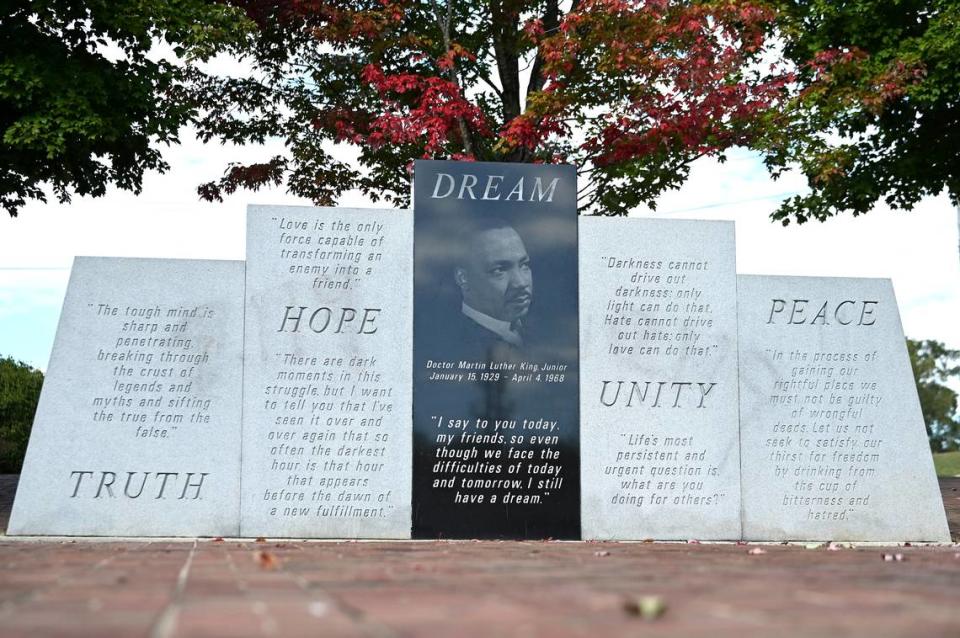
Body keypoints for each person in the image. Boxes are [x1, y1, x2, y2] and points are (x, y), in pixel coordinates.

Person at [452, 217, 533, 354]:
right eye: (499, 270)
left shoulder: (542, 332)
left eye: (523, 265)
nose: (521, 283)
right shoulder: (453, 346)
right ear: (463, 278)